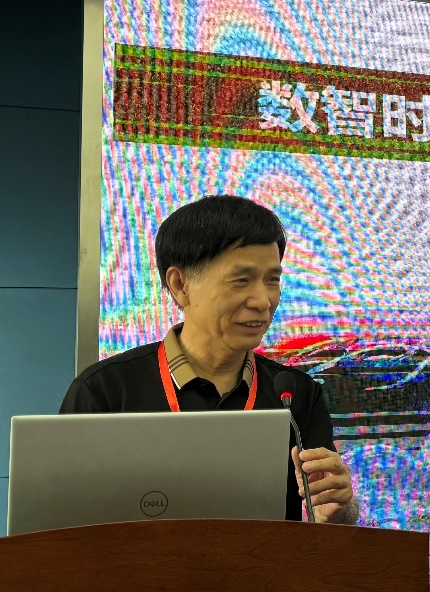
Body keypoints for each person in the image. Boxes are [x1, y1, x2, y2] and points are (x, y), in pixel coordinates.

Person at [60, 195, 357, 524]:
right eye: (241, 280)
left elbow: (327, 527)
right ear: (180, 285)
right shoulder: (105, 391)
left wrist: (337, 510)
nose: (263, 300)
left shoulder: (295, 393)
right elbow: (63, 522)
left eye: (272, 280)